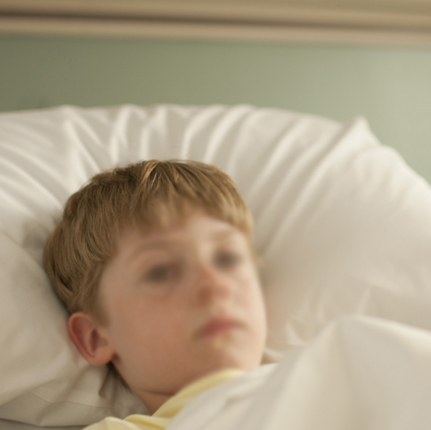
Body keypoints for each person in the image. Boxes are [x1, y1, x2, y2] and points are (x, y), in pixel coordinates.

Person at [43, 160, 268, 430]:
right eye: (161, 272)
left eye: (228, 258)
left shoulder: (320, 369)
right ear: (97, 337)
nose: (214, 285)